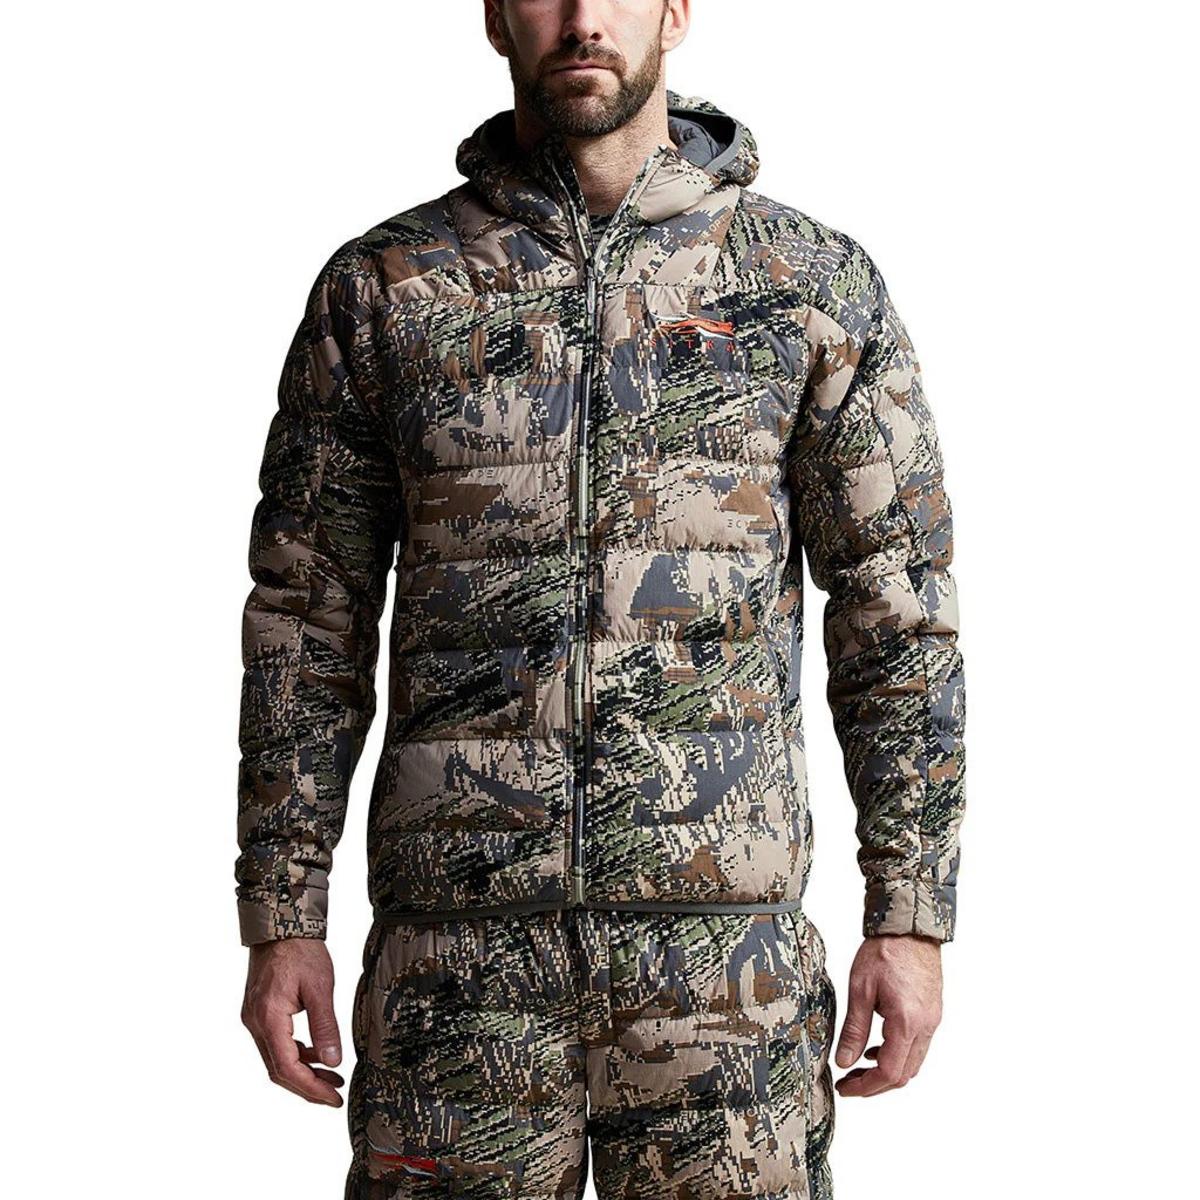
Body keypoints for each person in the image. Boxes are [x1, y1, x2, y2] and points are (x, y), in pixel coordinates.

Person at [235, 2, 966, 1196]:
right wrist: (283, 915)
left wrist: (912, 913)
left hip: (723, 974)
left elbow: (899, 614)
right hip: (458, 980)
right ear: (494, 16)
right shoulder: (386, 289)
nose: (583, 20)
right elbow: (306, 621)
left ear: (677, 9)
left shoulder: (806, 284)